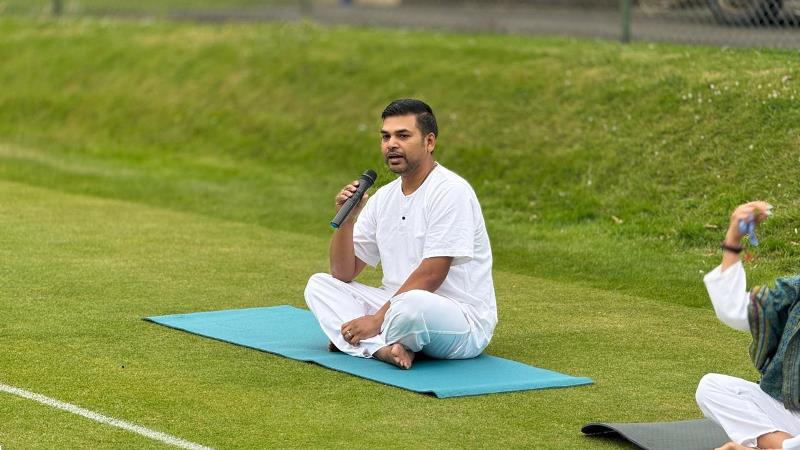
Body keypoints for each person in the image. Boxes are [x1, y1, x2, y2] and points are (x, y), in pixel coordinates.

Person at [304, 99, 497, 370]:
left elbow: (432, 273)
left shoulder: (451, 191)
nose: (391, 144)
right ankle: (383, 348)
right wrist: (347, 220)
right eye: (386, 136)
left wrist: (376, 320)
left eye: (403, 136)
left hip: (459, 319)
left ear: (429, 142)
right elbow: (343, 272)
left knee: (411, 306)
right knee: (319, 284)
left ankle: (358, 340)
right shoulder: (383, 197)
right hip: (394, 306)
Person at [697, 201, 800, 450]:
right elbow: (734, 310)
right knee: (711, 387)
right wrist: (733, 238)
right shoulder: (795, 291)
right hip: (793, 418)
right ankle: (779, 446)